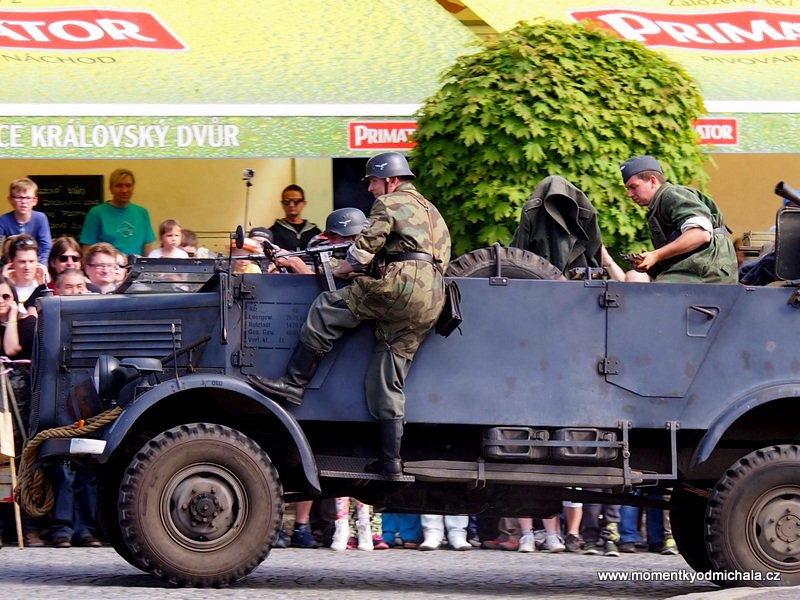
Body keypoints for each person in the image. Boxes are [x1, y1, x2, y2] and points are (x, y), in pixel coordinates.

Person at [248, 152, 451, 480]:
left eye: (373, 181)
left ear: (391, 180)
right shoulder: (432, 211)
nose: (370, 188)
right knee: (386, 375)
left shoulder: (389, 203)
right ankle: (390, 461)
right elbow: (422, 256)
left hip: (400, 288)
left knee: (327, 308)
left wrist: (344, 269)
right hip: (432, 298)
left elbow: (363, 250)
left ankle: (293, 384)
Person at [620, 156, 737, 283]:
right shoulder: (659, 204)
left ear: (652, 181)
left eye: (633, 187)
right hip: (702, 265)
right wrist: (650, 261)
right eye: (628, 189)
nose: (629, 194)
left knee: (657, 291)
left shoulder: (671, 195)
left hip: (709, 266)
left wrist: (656, 255)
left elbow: (700, 234)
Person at [0, 277, 44, 547]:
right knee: (2, 464)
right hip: (1, 405)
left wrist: (13, 317)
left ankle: (29, 528)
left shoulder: (27, 324)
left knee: (25, 462)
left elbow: (12, 348)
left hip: (22, 403)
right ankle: (4, 528)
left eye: (6, 296)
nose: (0, 302)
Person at [79, 168, 155, 256]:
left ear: (133, 188)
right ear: (110, 189)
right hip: (107, 264)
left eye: (128, 185)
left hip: (136, 264)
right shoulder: (96, 213)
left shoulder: (142, 213)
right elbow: (87, 251)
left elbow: (147, 250)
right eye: (119, 186)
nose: (124, 190)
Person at [0, 178, 52, 264]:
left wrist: (42, 266)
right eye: (19, 197)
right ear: (11, 200)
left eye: (27, 198)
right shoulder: (3, 219)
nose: (23, 201)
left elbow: (46, 247)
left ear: (35, 201)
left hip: (35, 263)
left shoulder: (40, 218)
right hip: (11, 263)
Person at [3, 235, 48, 317]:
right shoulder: (5, 290)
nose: (27, 267)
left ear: (37, 261)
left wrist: (44, 285)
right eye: (22, 262)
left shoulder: (44, 287)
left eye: (31, 261)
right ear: (11, 262)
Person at [268, 185, 321, 251]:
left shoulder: (315, 232)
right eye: (287, 202)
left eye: (296, 201)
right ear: (282, 204)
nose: (291, 205)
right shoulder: (273, 232)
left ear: (304, 203)